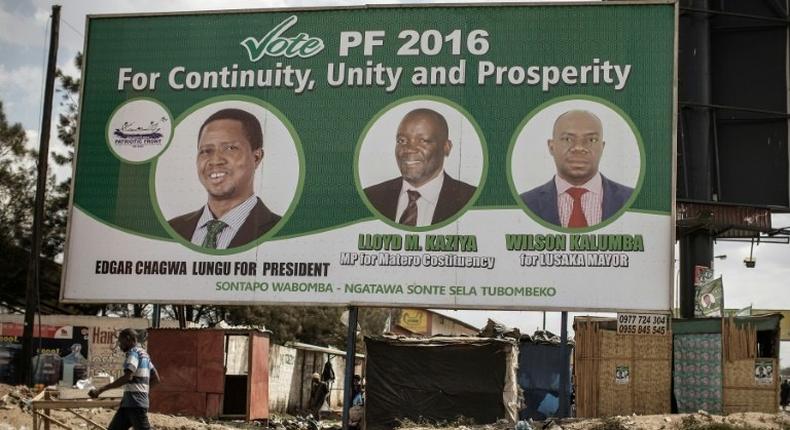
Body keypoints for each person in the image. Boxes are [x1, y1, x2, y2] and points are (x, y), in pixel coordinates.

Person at [168, 108, 281, 249]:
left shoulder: (281, 231)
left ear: (256, 157)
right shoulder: (171, 229)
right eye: (206, 151)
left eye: (230, 148)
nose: (215, 160)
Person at [520, 110, 633, 228]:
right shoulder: (524, 204)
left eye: (591, 140)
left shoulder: (631, 199)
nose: (579, 147)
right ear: (551, 146)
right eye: (567, 139)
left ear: (602, 147)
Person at [364, 108, 476, 227]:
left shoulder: (470, 200)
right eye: (402, 140)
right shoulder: (370, 197)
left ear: (446, 147)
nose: (409, 149)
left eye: (423, 141)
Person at [89, 328, 160, 430]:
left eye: (121, 342)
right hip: (128, 404)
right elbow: (156, 379)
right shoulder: (144, 354)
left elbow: (127, 377)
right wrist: (143, 392)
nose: (120, 345)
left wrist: (100, 390)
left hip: (135, 404)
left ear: (128, 339)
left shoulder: (133, 353)